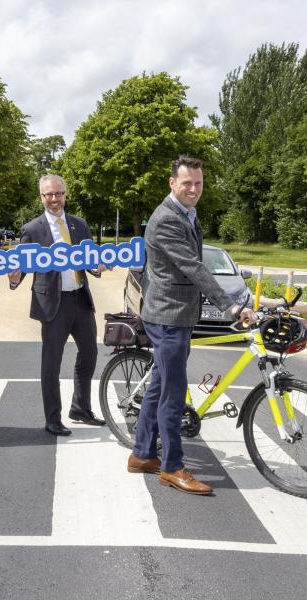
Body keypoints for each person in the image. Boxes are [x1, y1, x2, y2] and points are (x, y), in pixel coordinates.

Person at [128, 156, 257, 494]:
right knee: (172, 394)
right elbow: (194, 267)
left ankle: (142, 454)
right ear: (172, 183)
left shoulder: (187, 213)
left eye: (198, 183)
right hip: (167, 316)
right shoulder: (167, 219)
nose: (194, 189)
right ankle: (172, 467)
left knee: (159, 385)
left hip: (178, 314)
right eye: (187, 183)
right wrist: (230, 304)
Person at [8, 174, 107, 436]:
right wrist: (15, 278)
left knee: (89, 354)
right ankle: (52, 418)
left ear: (65, 194)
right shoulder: (32, 229)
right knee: (51, 362)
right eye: (49, 195)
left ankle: (80, 408)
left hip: (80, 299)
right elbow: (23, 265)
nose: (54, 199)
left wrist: (97, 268)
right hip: (53, 304)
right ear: (41, 197)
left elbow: (89, 259)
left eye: (58, 194)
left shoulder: (80, 225)